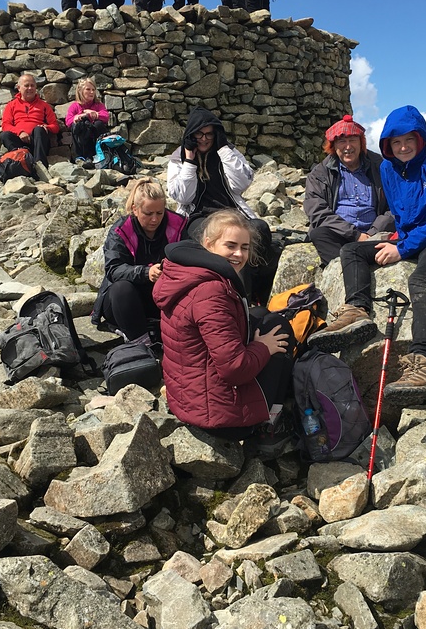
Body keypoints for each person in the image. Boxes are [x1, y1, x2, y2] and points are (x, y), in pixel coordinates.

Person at [309, 105, 426, 404]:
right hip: (415, 236)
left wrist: (403, 248)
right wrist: (400, 239)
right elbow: (401, 213)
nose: (403, 147)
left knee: (422, 280)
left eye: (409, 141)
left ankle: (423, 363)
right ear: (387, 145)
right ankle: (357, 311)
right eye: (396, 142)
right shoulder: (389, 168)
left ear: (421, 139)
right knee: (352, 250)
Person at [153, 209, 293, 439]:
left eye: (244, 247)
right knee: (279, 330)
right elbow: (234, 369)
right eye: (230, 246)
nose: (239, 254)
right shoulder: (212, 291)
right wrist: (263, 347)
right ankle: (270, 424)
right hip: (221, 419)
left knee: (261, 315)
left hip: (188, 399)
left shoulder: (188, 272)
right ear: (208, 244)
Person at [167, 106, 276, 303]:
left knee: (260, 229)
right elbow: (182, 197)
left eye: (209, 134)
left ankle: (250, 295)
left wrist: (223, 149)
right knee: (225, 240)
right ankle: (236, 299)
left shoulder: (228, 151)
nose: (204, 139)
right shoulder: (179, 158)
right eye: (199, 134)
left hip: (232, 212)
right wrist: (190, 162)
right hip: (198, 217)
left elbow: (242, 183)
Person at [92, 179, 185, 343]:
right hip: (124, 300)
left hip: (164, 294)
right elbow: (114, 270)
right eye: (148, 214)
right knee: (122, 289)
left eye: (160, 213)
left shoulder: (178, 225)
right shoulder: (120, 230)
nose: (155, 219)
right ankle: (142, 342)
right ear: (135, 209)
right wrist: (146, 272)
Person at [304, 116, 393, 266]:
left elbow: (395, 206)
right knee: (319, 234)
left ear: (361, 142)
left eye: (353, 140)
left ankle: (350, 266)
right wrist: (355, 235)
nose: (348, 146)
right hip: (338, 234)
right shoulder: (319, 174)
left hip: (375, 234)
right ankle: (350, 268)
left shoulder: (381, 167)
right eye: (342, 141)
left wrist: (372, 233)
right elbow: (317, 212)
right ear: (333, 146)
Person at [1, 74, 60, 167]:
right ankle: (19, 161)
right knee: (5, 135)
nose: (30, 88)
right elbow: (5, 125)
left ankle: (39, 165)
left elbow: (55, 127)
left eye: (32, 85)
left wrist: (46, 127)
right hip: (19, 142)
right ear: (19, 88)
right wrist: (20, 132)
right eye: (26, 85)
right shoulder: (11, 105)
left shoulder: (44, 106)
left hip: (37, 142)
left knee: (39, 130)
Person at [64, 78, 109, 160]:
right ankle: (81, 157)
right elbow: (68, 121)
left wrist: (95, 114)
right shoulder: (75, 106)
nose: (92, 92)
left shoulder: (98, 105)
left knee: (98, 124)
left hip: (95, 138)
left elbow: (106, 116)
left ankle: (102, 154)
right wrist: (78, 117)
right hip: (82, 141)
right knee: (78, 124)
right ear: (80, 91)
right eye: (88, 89)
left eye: (93, 89)